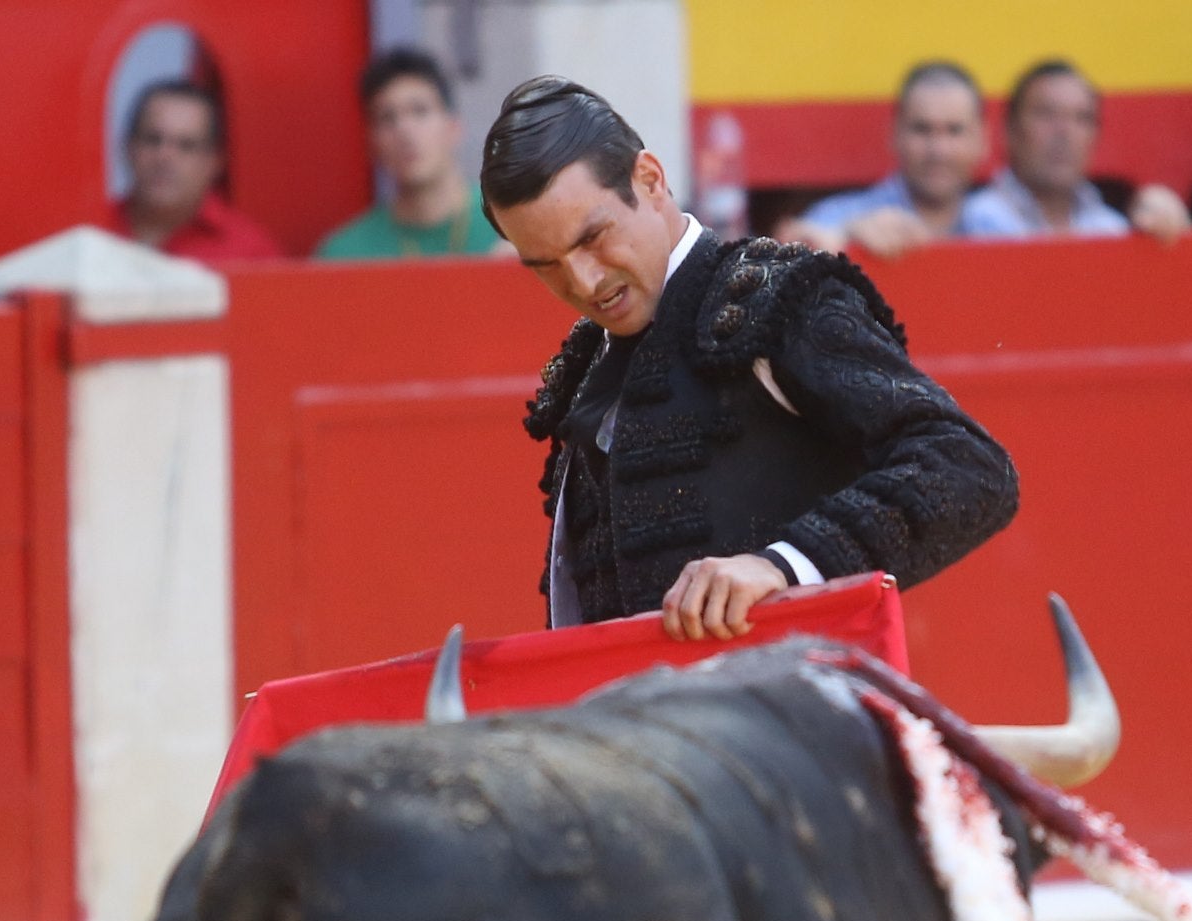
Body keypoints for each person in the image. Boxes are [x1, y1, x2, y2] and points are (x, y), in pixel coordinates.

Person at [480, 76, 1017, 642]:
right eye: (545, 264)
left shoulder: (776, 300)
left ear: (650, 180)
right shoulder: (587, 365)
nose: (583, 282)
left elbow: (967, 466)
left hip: (796, 714)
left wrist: (783, 566)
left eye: (592, 237)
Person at [775, 62, 1007, 257]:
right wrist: (846, 238)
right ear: (894, 134)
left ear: (983, 139)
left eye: (954, 131)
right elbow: (794, 252)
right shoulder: (840, 217)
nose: (938, 150)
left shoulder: (1006, 226)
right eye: (922, 129)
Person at [966, 60, 1190, 242]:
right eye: (1046, 114)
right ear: (1009, 131)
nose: (1064, 132)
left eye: (1081, 118)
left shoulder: (1112, 229)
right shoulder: (971, 224)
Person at [317, 47, 502, 259]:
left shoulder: (515, 225)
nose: (404, 131)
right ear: (371, 142)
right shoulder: (345, 256)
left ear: (453, 127)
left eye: (420, 110)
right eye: (387, 118)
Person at [106, 80, 281, 265]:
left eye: (186, 146)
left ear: (215, 161)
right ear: (128, 147)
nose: (165, 156)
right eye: (153, 140)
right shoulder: (88, 231)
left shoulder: (252, 253)